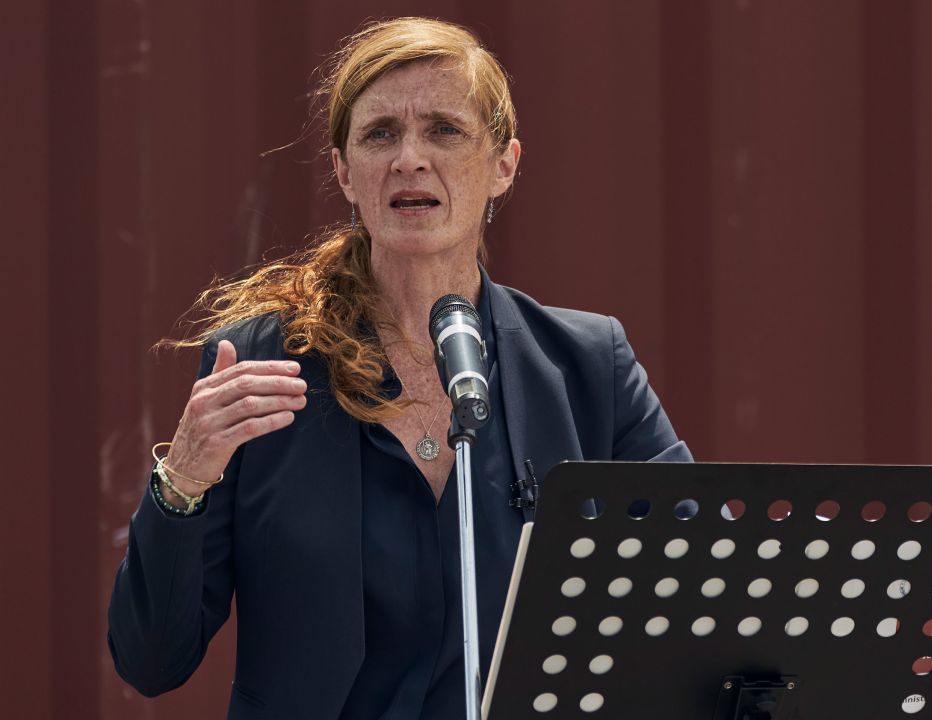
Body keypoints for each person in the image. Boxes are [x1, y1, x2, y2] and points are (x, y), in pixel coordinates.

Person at [107, 17, 690, 719]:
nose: (409, 159)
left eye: (444, 129)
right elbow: (151, 660)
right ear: (344, 172)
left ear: (503, 164)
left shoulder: (588, 368)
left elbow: (690, 587)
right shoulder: (261, 366)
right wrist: (185, 483)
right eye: (380, 134)